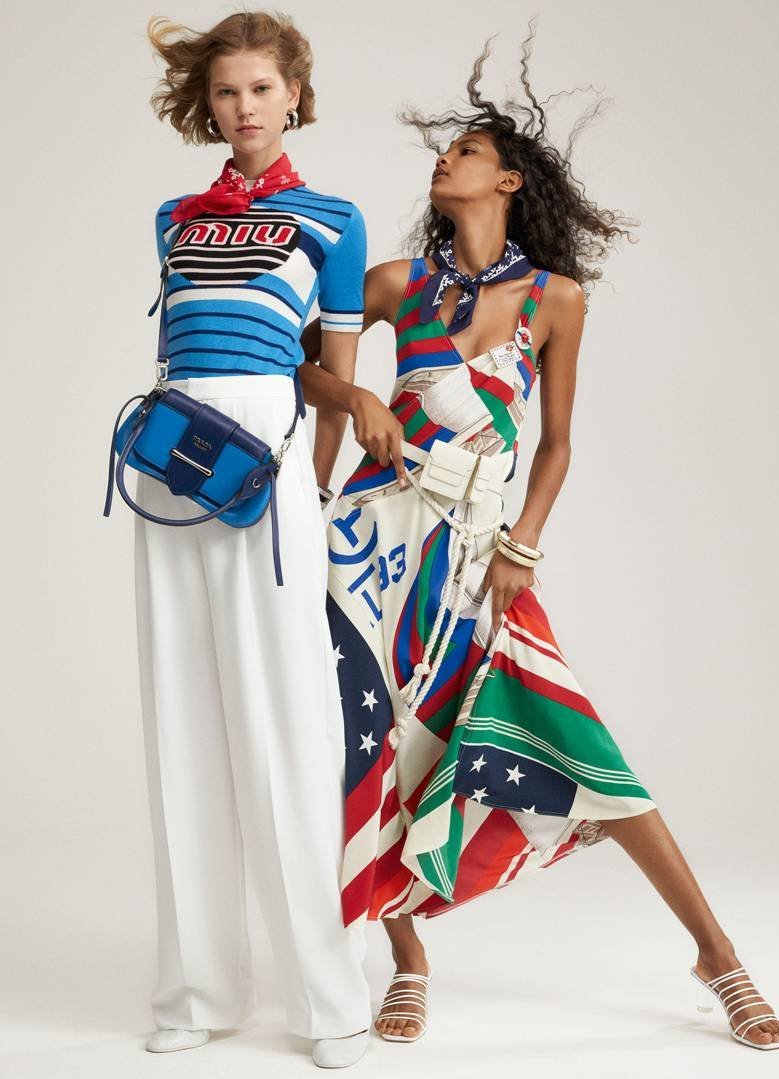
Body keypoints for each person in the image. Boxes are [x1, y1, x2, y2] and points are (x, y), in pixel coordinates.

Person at [299, 32, 779, 1053]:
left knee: (584, 744)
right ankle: (407, 958)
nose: (445, 160)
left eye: (467, 151)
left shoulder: (557, 299)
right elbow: (305, 368)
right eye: (445, 152)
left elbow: (557, 444)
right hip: (373, 545)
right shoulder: (394, 283)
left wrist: (522, 544)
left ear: (510, 180)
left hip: (479, 549)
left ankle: (719, 954)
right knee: (373, 749)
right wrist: (355, 399)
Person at [132, 12, 370, 1068]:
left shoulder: (334, 220)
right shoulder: (171, 218)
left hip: (272, 459)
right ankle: (198, 992)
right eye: (226, 91)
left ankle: (330, 1001)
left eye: (262, 89)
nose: (244, 108)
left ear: (294, 95)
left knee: (287, 717)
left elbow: (338, 378)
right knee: (181, 710)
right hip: (173, 454)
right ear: (209, 103)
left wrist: (311, 487)